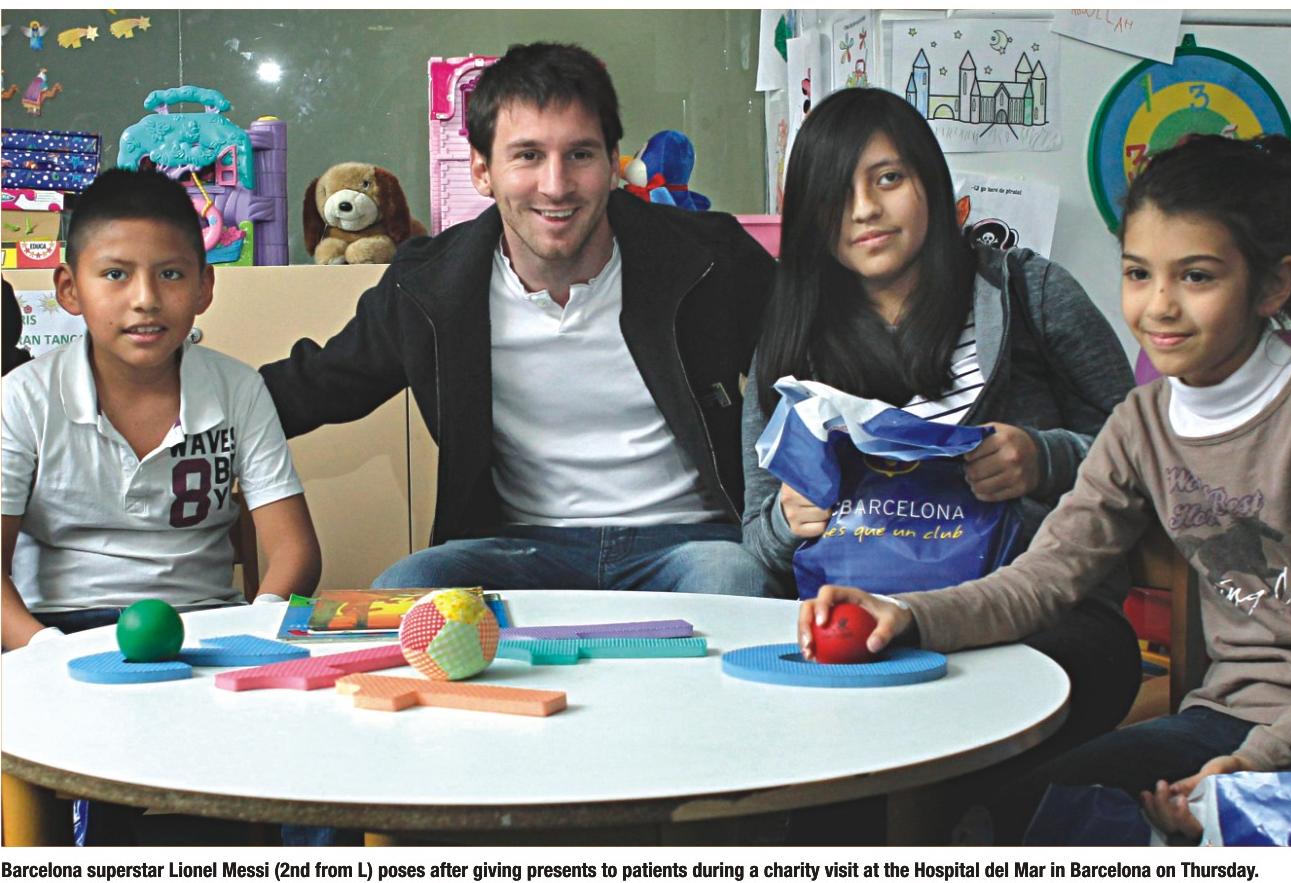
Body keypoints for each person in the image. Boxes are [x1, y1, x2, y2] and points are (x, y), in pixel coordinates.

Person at [800, 134, 1291, 845]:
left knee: (1239, 834)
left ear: (1274, 285)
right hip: (1222, 722)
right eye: (1138, 273)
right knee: (1012, 816)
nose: (1158, 306)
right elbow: (1042, 579)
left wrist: (1258, 766)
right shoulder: (1142, 423)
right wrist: (904, 614)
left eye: (1196, 277)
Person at [260, 42, 779, 597]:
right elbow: (320, 384)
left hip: (693, 543)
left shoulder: (708, 258)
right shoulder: (431, 286)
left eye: (580, 154)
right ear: (482, 170)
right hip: (517, 547)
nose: (555, 185)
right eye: (528, 155)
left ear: (612, 163)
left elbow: (813, 350)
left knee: (738, 579)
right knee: (406, 585)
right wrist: (197, 399)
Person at [743, 87, 1142, 787]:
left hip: (1038, 612)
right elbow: (755, 536)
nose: (864, 209)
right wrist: (786, 518)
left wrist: (1044, 457)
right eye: (837, 192)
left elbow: (1143, 454)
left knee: (992, 717)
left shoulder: (1029, 293)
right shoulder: (791, 338)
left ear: (931, 181)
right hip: (857, 623)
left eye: (888, 178)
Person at [2, 168, 321, 651]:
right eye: (116, 274)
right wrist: (47, 652)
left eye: (170, 274)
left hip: (206, 626)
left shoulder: (238, 389)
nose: (146, 300)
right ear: (69, 289)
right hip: (56, 630)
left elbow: (295, 550)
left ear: (204, 287)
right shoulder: (22, 398)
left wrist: (259, 626)